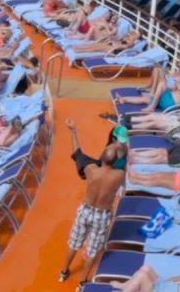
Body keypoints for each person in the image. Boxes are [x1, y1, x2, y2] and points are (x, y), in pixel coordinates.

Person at [59, 118, 126, 286]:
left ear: (101, 159)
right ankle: (83, 282)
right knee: (92, 250)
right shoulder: (119, 175)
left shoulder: (91, 170)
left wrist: (73, 131)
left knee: (74, 243)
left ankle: (64, 272)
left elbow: (78, 153)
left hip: (86, 211)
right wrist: (121, 146)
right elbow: (126, 157)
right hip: (102, 216)